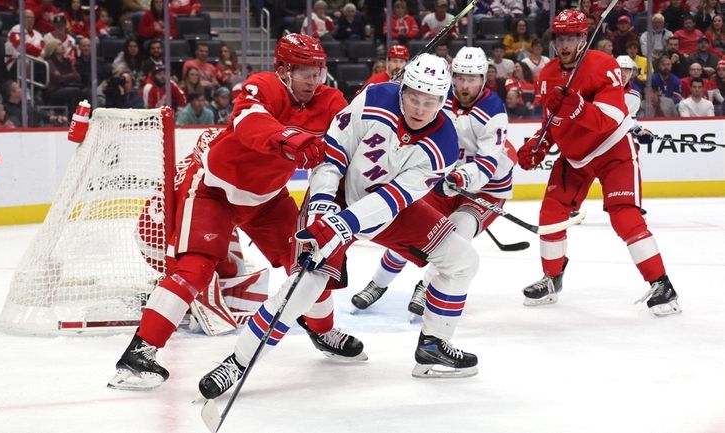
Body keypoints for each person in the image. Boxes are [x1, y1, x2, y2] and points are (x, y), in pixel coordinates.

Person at [198, 54, 482, 401]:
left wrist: (342, 225)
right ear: (402, 88)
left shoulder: (444, 145)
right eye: (413, 98)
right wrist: (321, 204)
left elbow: (394, 198)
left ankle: (433, 344)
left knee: (462, 259)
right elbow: (333, 154)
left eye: (429, 102)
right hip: (335, 194)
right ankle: (239, 362)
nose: (419, 109)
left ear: (442, 101)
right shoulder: (375, 98)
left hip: (383, 209)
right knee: (307, 282)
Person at [107, 34, 353, 391]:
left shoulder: (330, 100)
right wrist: (290, 139)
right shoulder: (262, 86)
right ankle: (140, 351)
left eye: (318, 72)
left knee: (311, 260)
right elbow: (249, 122)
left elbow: (355, 128)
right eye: (304, 72)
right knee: (195, 267)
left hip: (268, 198)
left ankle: (322, 330)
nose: (314, 81)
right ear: (283, 71)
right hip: (215, 189)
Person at [516, 9, 681, 317]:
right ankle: (552, 279)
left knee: (625, 217)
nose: (565, 45)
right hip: (574, 157)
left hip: (612, 150)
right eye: (560, 38)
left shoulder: (603, 65)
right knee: (550, 214)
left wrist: (578, 107)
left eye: (572, 37)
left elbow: (612, 119)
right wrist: (539, 143)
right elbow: (554, 120)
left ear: (582, 38)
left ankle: (662, 284)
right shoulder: (548, 74)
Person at [351, 48, 518, 315]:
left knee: (457, 234)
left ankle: (425, 286)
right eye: (460, 77)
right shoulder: (439, 97)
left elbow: (489, 162)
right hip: (444, 181)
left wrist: (462, 176)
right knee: (414, 229)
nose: (465, 85)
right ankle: (378, 283)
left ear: (483, 79)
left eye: (472, 79)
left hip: (485, 188)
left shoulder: (493, 110)